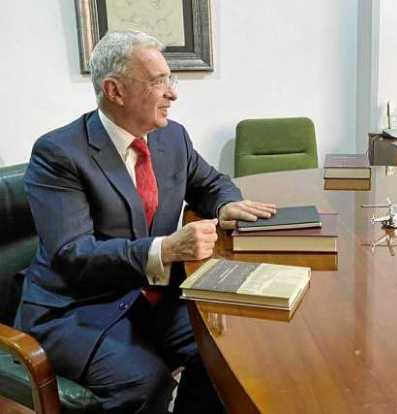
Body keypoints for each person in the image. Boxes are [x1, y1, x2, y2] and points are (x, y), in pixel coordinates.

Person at [16, 31, 276, 413]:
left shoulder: (173, 138)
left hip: (152, 296)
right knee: (145, 383)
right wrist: (166, 249)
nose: (173, 94)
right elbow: (72, 254)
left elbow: (211, 183)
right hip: (78, 307)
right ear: (114, 91)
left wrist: (225, 206)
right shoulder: (58, 154)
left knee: (227, 353)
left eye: (170, 80)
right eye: (158, 82)